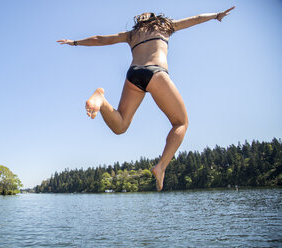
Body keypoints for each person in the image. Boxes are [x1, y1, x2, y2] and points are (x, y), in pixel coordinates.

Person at [57, 6, 235, 192]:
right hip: (156, 72)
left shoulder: (131, 35)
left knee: (120, 126)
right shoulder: (166, 26)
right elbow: (196, 18)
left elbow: (101, 39)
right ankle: (161, 167)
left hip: (133, 74)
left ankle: (101, 100)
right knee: (181, 123)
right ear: (155, 18)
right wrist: (216, 15)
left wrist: (75, 42)